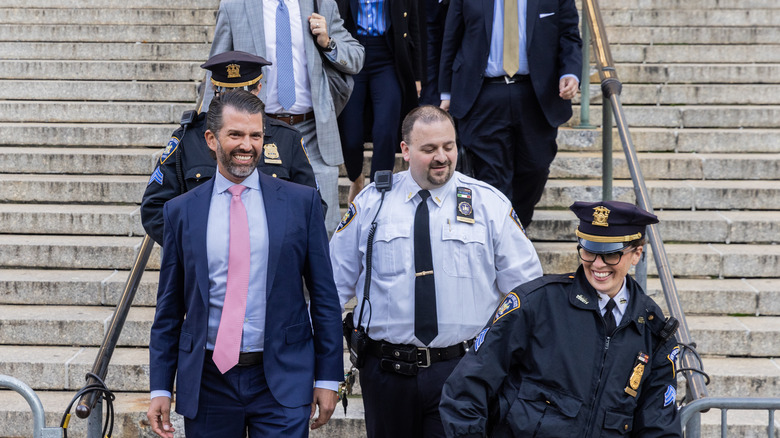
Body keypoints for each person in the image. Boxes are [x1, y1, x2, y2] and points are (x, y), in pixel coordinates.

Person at [329, 105, 543, 438]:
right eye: (429, 149)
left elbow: (529, 295)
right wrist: (326, 371)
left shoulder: (489, 204)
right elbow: (334, 289)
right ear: (405, 150)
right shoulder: (372, 203)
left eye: (448, 146)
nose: (441, 157)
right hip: (385, 373)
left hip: (463, 371)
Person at [147, 90, 343, 438]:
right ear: (211, 139)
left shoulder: (302, 203)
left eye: (255, 135)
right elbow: (169, 307)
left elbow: (325, 297)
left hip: (282, 378)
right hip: (209, 381)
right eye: (235, 134)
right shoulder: (181, 211)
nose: (247, 145)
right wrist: (160, 387)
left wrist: (328, 376)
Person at [439, 200, 682, 438]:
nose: (597, 264)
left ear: (636, 253)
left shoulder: (653, 329)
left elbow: (658, 426)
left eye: (611, 255)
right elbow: (467, 387)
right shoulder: (536, 302)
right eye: (589, 251)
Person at [206, 0, 365, 232]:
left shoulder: (321, 4)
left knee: (325, 226)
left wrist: (328, 42)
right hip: (260, 133)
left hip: (313, 132)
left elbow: (356, 58)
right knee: (262, 225)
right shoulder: (235, 6)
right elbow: (216, 74)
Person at [141, 50, 319, 246]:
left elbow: (311, 206)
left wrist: (277, 246)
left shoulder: (286, 138)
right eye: (226, 93)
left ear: (258, 88)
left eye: (243, 93)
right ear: (214, 88)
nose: (235, 104)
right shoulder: (187, 138)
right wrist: (195, 248)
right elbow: (154, 209)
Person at [438, 0, 582, 228]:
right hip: (484, 92)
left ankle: (517, 228)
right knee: (492, 177)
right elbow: (451, 37)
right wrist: (446, 91)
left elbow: (570, 35)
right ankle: (498, 238)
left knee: (535, 169)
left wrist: (571, 73)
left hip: (536, 95)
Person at [335, 0, 423, 202]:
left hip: (388, 57)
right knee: (350, 136)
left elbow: (415, 28)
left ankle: (377, 192)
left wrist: (417, 75)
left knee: (385, 132)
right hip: (351, 55)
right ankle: (356, 178)